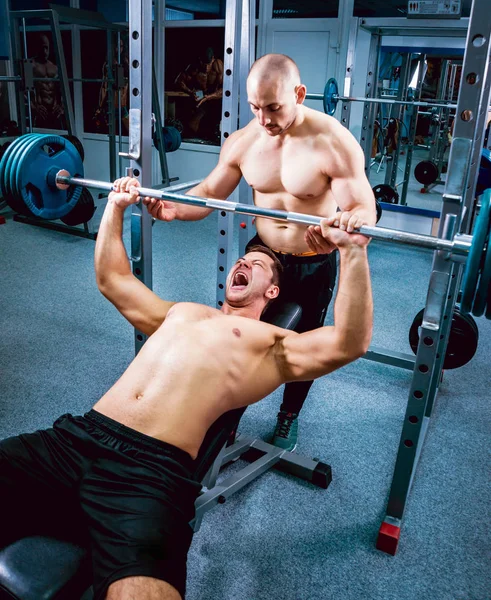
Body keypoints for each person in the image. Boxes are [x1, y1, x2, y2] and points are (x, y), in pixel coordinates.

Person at [0, 177, 372, 600]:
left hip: (148, 474)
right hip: (74, 438)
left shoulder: (272, 345)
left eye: (258, 266)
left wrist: (352, 250)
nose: (243, 264)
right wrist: (116, 207)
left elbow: (349, 342)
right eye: (242, 261)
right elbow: (112, 280)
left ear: (272, 291)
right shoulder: (180, 313)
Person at [144, 53, 377, 451]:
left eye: (273, 108)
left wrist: (347, 229)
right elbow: (208, 194)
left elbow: (362, 208)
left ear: (299, 94)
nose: (264, 119)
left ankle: (288, 416)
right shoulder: (244, 141)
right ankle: (226, 418)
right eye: (255, 107)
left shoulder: (334, 142)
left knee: (305, 345)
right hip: (263, 253)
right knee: (238, 337)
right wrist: (171, 208)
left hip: (312, 258)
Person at [175, 47, 223, 140]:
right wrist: (190, 92)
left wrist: (209, 97)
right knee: (191, 127)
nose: (206, 67)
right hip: (200, 99)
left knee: (211, 130)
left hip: (215, 99)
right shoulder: (194, 67)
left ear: (213, 59)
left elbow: (225, 89)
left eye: (208, 64)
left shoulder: (218, 65)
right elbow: (178, 81)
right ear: (200, 60)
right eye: (203, 64)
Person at [30, 34, 65, 129]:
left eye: (46, 48)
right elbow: (23, 91)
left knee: (59, 141)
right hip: (40, 113)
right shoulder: (31, 65)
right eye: (42, 48)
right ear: (37, 48)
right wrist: (34, 107)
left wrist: (61, 106)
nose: (45, 51)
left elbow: (62, 90)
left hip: (54, 113)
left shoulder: (54, 68)